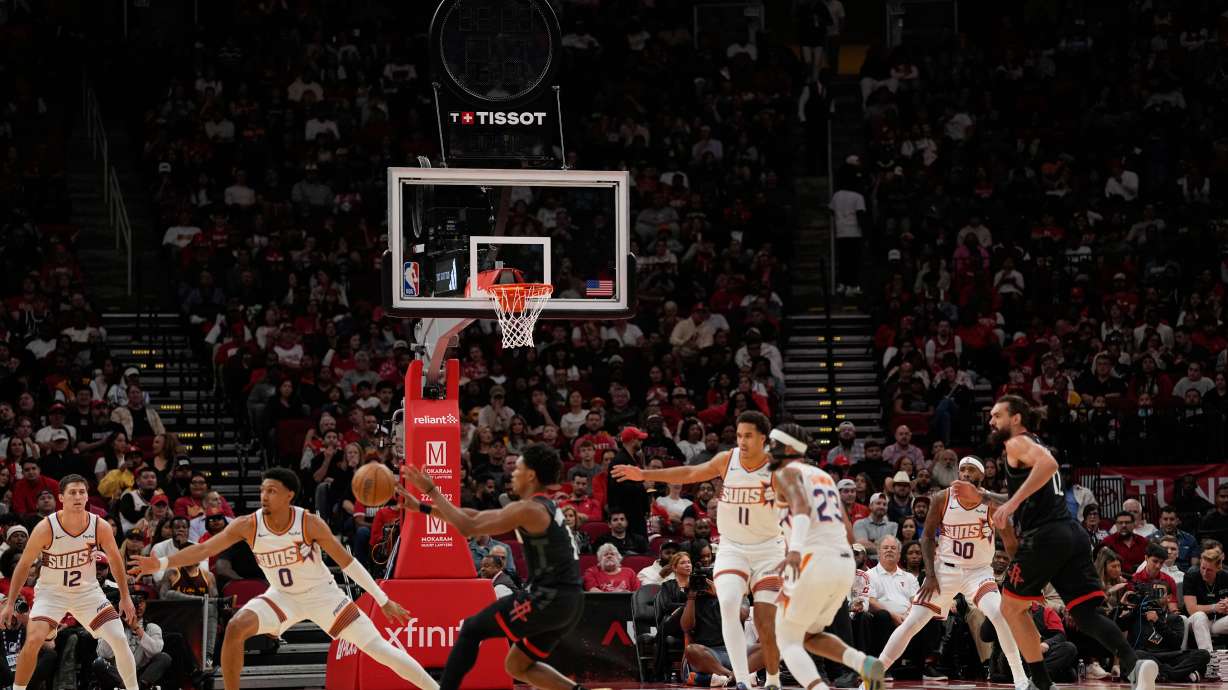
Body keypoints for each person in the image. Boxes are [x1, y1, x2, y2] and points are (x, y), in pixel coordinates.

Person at [128, 468, 437, 690]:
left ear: (290, 495)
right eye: (262, 489)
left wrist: (382, 601)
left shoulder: (310, 523)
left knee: (381, 651)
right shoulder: (248, 525)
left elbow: (348, 563)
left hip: (324, 597)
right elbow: (206, 548)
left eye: (272, 490)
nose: (264, 495)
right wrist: (162, 561)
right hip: (282, 597)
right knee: (236, 627)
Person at [971, 395, 1158, 690]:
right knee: (1084, 614)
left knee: (1010, 609)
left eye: (997, 415)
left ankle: (1042, 684)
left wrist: (1010, 505)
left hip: (1044, 537)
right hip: (1071, 534)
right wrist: (988, 498)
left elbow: (1049, 464)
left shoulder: (1017, 443)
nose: (991, 421)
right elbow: (1025, 493)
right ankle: (1135, 664)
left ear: (1016, 418)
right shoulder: (1033, 444)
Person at [613, 411, 784, 690]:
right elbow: (691, 472)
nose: (741, 441)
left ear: (763, 438)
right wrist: (645, 474)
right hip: (732, 547)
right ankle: (741, 680)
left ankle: (773, 679)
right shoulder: (727, 460)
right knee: (728, 603)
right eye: (738, 435)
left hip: (768, 550)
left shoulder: (777, 469)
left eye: (748, 435)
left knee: (765, 619)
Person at [401, 444, 588, 690]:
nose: (512, 473)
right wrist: (422, 508)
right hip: (571, 602)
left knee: (471, 629)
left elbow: (467, 527)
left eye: (518, 468)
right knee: (517, 666)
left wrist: (431, 491)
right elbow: (473, 517)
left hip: (548, 598)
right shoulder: (544, 506)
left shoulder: (529, 509)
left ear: (531, 475)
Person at [876, 456, 1028, 690]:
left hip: (978, 572)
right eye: (962, 470)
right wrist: (931, 575)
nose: (965, 473)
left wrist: (1019, 572)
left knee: (998, 613)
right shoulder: (942, 498)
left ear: (981, 476)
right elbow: (926, 536)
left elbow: (1010, 543)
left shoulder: (992, 504)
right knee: (911, 624)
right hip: (945, 572)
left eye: (970, 470)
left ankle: (1020, 679)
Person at [768, 423, 886, 690]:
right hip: (843, 562)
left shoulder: (785, 472)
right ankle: (862, 663)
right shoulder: (824, 477)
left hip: (812, 558)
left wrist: (796, 549)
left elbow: (800, 506)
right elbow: (848, 530)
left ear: (788, 448)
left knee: (786, 638)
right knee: (809, 635)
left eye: (773, 445)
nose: (768, 450)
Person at [0, 473, 141, 690]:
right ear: (61, 498)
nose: (78, 496)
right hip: (51, 593)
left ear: (87, 497)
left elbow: (115, 561)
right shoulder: (46, 527)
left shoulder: (99, 526)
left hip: (87, 593)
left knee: (118, 638)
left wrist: (125, 597)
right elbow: (23, 565)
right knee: (34, 641)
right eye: (72, 492)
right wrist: (9, 604)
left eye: (82, 492)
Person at [93, 591, 172, 689]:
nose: (138, 606)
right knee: (99, 662)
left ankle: (135, 687)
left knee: (164, 658)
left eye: (142, 601)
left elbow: (155, 651)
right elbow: (103, 653)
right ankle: (130, 687)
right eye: (134, 602)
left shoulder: (152, 628)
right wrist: (114, 624)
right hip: (119, 674)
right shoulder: (114, 626)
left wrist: (136, 628)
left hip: (141, 674)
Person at [1184, 544, 1228, 652]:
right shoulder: (1191, 575)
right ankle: (1208, 658)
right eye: (1202, 568)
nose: (1204, 572)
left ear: (1218, 568)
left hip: (1216, 622)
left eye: (1209, 570)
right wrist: (1214, 607)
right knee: (1199, 616)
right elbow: (1192, 609)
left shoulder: (1225, 576)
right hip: (1194, 622)